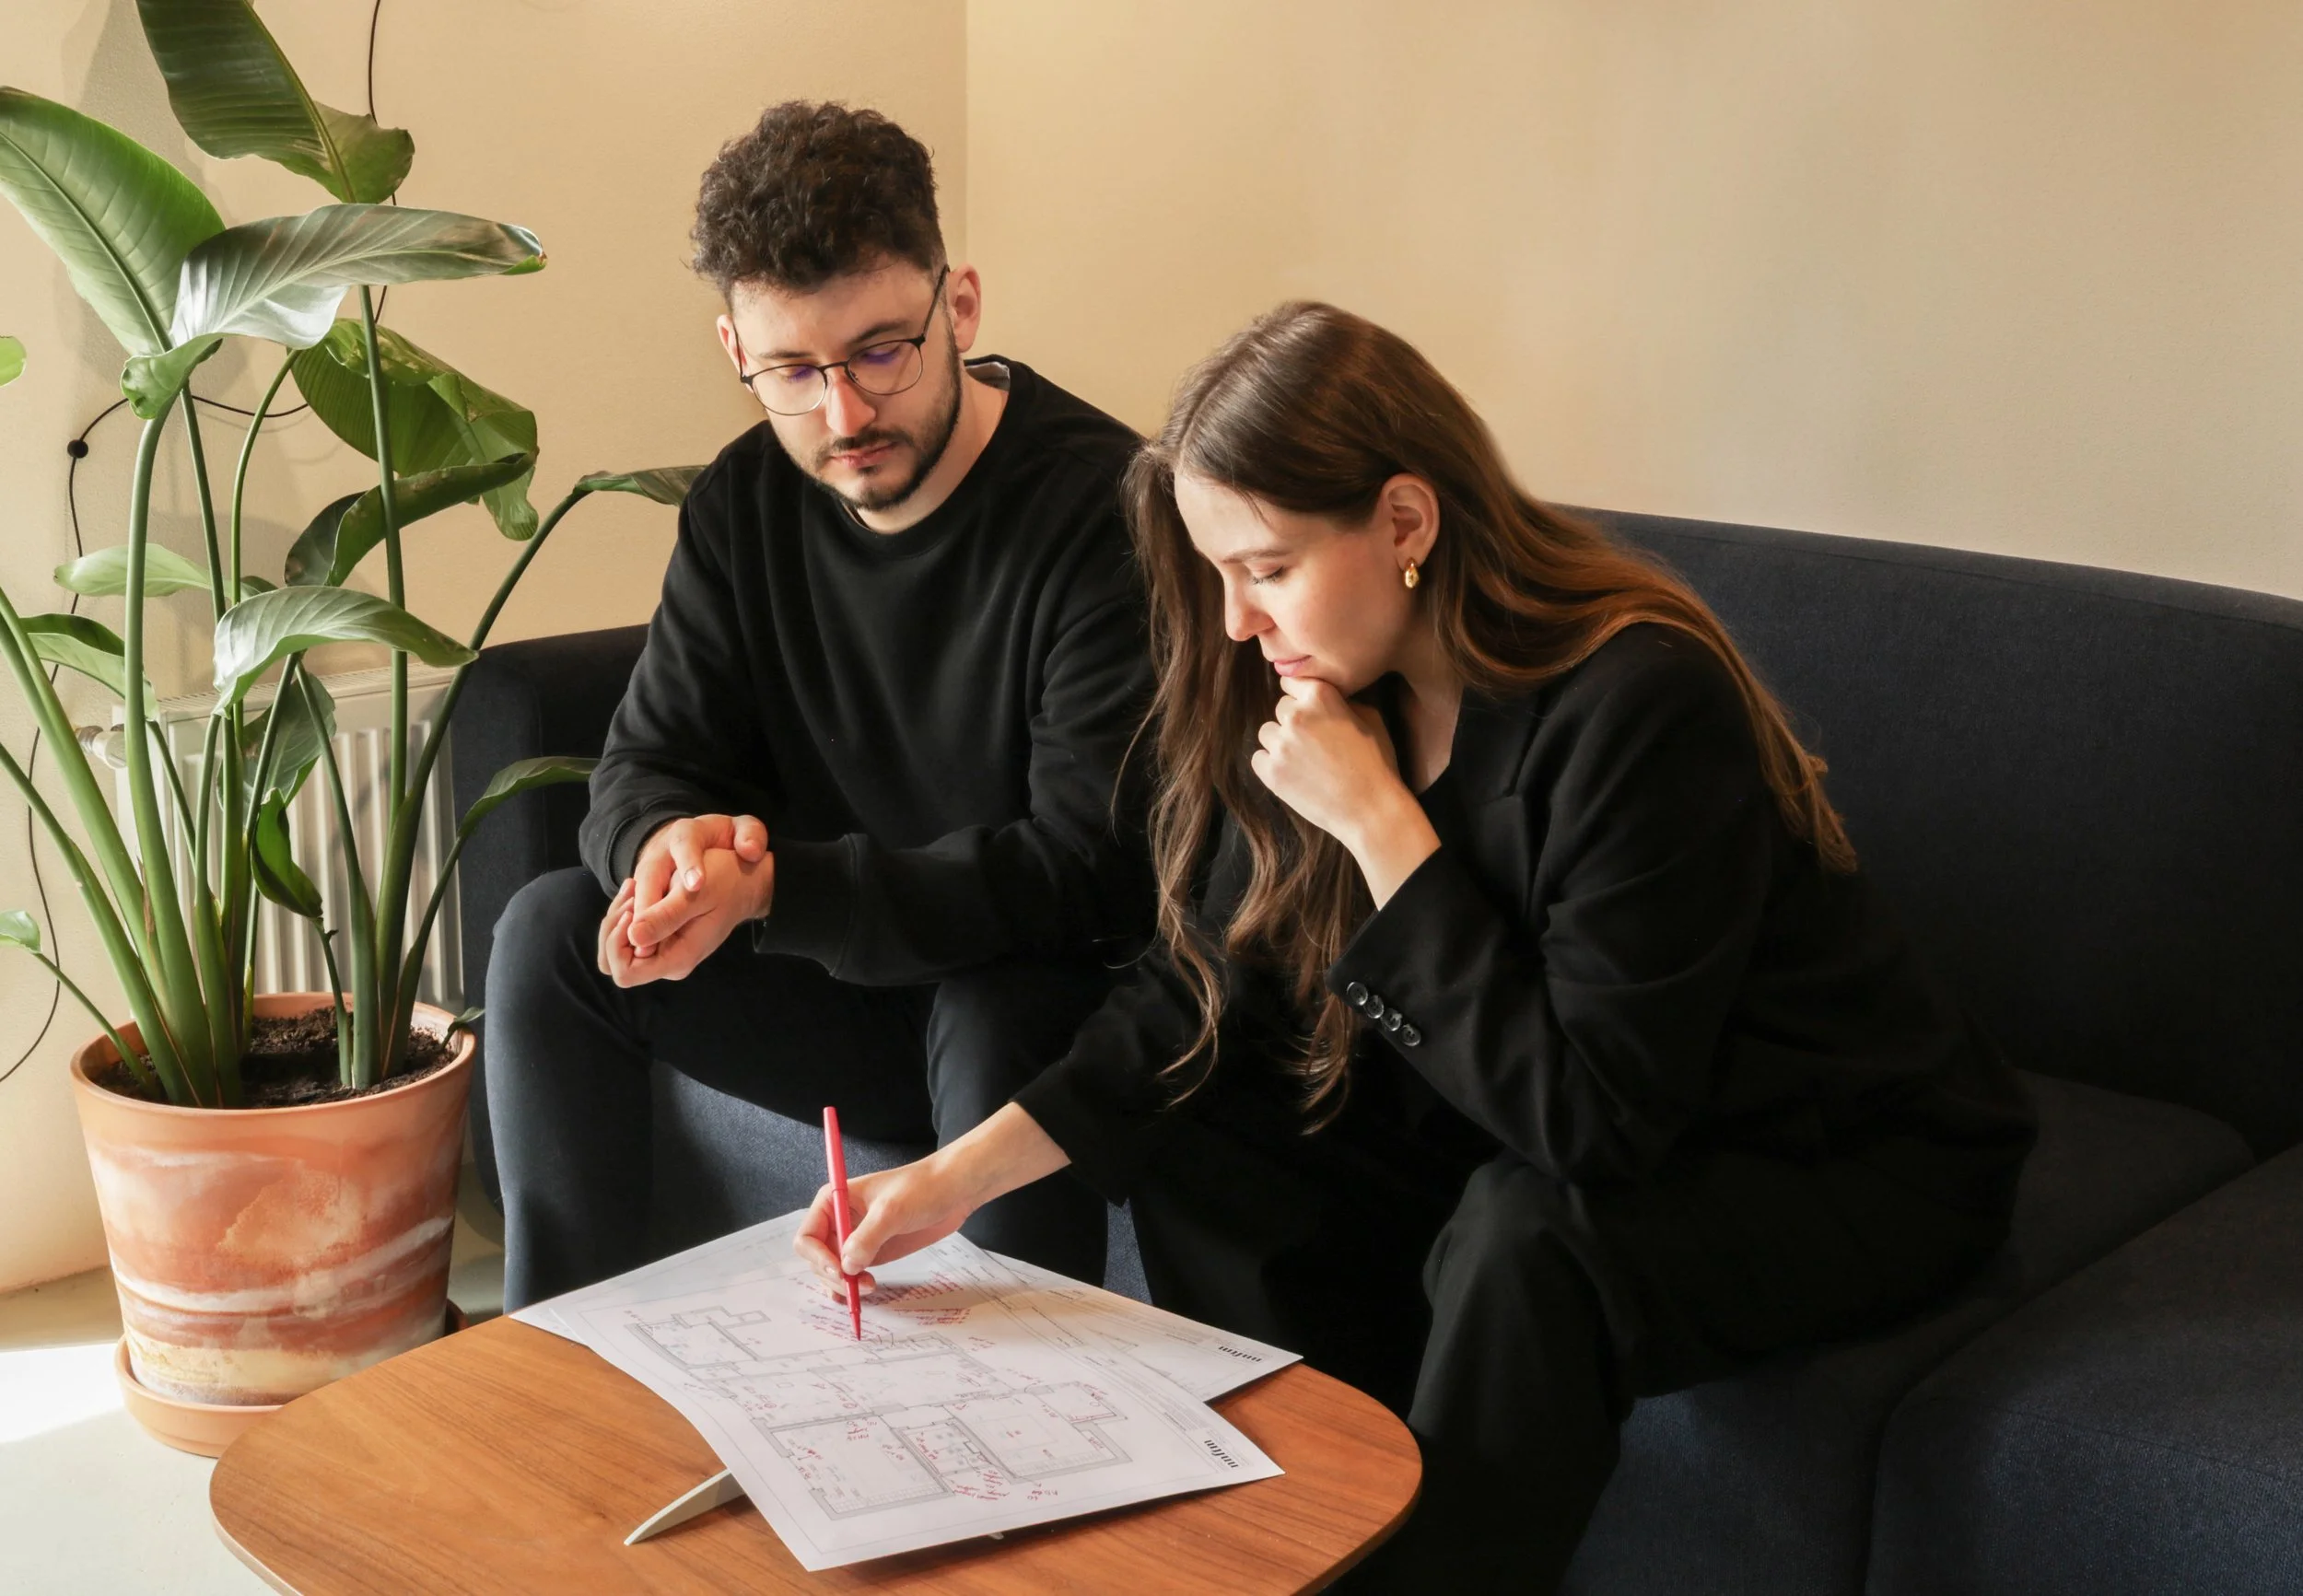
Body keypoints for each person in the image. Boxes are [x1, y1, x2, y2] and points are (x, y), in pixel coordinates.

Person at [795, 302, 2038, 1590]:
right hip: (1543, 1107)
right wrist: (945, 1182)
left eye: (1267, 569)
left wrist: (1384, 827)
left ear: (1403, 523)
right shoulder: (1334, 688)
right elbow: (1197, 999)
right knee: (1213, 1131)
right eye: (1219, 574)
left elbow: (1595, 1127)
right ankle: (1302, 1530)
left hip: (1833, 1155)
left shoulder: (1639, 704)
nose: (1236, 621)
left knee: (1527, 1235)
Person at [485, 102, 1152, 1311]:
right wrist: (666, 852)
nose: (844, 415)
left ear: (959, 307)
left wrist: (778, 888)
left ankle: (1020, 1417)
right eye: (793, 372)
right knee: (551, 933)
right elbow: (644, 763)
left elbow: (1086, 873)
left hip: (1029, 993)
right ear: (735, 351)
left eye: (882, 352)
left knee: (999, 1007)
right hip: (844, 990)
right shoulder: (744, 505)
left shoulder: (1105, 514)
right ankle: (559, 1358)